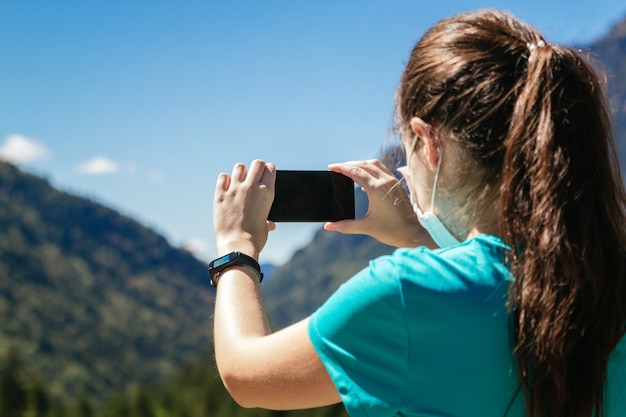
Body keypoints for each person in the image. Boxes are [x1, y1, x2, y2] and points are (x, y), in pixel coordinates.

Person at [210, 8, 626, 417]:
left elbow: (246, 375)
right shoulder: (607, 274)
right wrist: (421, 235)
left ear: (429, 142)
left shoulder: (405, 294)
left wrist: (237, 248)